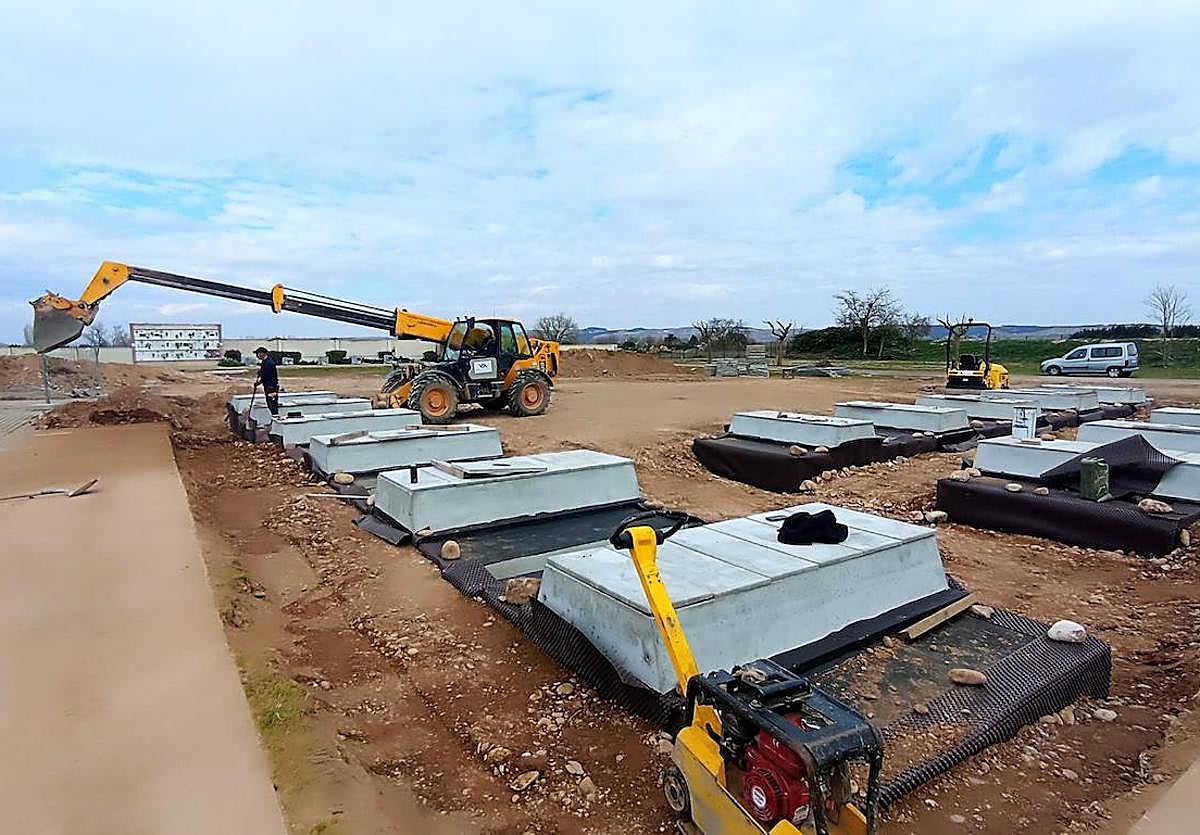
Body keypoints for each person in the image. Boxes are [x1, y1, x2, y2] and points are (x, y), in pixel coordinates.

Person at [254, 346, 280, 416]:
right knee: (270, 403)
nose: (257, 356)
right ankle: (274, 417)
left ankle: (275, 418)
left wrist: (259, 382)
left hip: (271, 386)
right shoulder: (265, 362)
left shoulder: (269, 363)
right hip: (268, 386)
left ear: (263, 354)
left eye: (258, 354)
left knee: (272, 404)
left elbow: (267, 376)